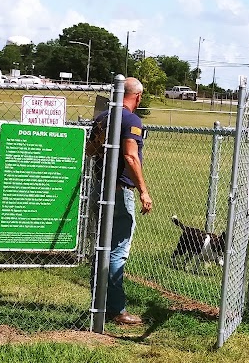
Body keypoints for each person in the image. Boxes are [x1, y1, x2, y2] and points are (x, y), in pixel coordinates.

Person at [86, 77, 153, 325]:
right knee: (117, 249)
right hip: (118, 191)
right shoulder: (131, 119)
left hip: (99, 189)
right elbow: (131, 156)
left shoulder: (102, 117)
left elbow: (90, 151)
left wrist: (100, 142)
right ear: (138, 96)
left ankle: (98, 304)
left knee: (101, 247)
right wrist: (143, 191)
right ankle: (115, 310)